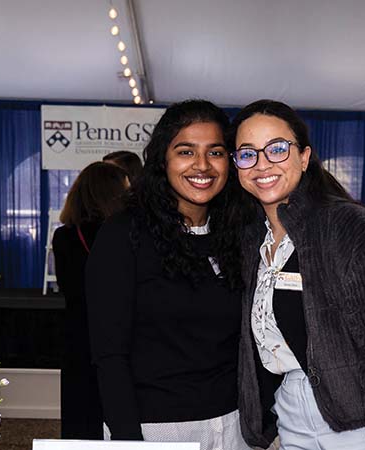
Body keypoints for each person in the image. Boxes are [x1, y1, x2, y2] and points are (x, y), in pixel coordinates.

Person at [228, 100, 365, 450]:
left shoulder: (352, 228)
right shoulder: (252, 241)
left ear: (304, 157)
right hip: (291, 411)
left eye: (277, 149)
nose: (262, 164)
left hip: (361, 420)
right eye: (247, 154)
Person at [86, 100, 250, 450]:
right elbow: (109, 354)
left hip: (235, 425)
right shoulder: (124, 234)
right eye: (186, 151)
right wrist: (128, 441)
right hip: (158, 429)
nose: (202, 165)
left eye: (216, 152)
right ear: (163, 158)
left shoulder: (237, 232)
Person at [52, 161, 131, 439]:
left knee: (79, 410)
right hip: (120, 331)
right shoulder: (125, 234)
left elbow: (67, 286)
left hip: (78, 332)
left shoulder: (63, 236)